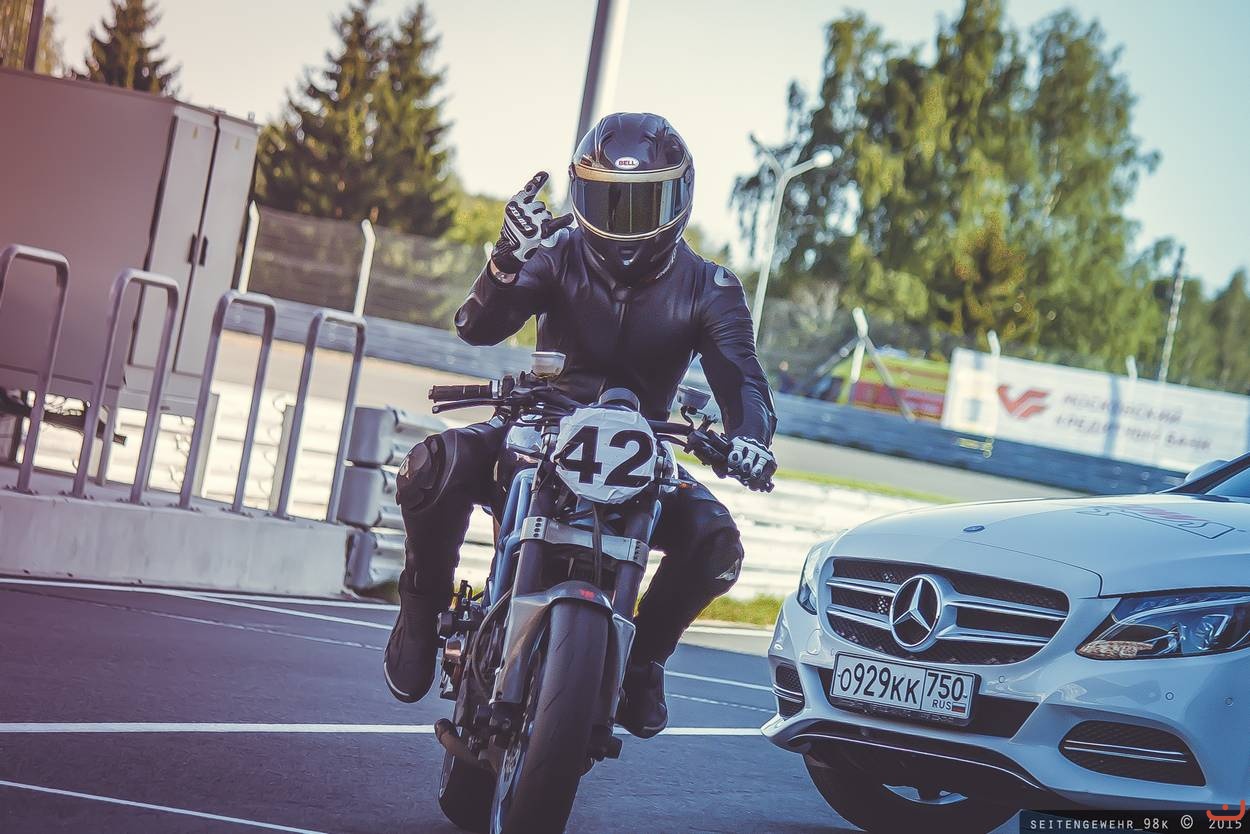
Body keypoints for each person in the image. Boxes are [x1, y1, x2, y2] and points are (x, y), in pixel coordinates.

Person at [384, 112, 777, 738]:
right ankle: (420, 606)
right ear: (580, 194)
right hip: (540, 428)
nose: (624, 223)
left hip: (643, 450)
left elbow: (742, 379)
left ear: (678, 198)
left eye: (642, 203)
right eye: (608, 200)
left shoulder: (711, 287)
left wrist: (750, 440)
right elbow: (478, 327)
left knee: (717, 543)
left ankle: (644, 660)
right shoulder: (557, 252)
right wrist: (504, 263)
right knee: (432, 466)